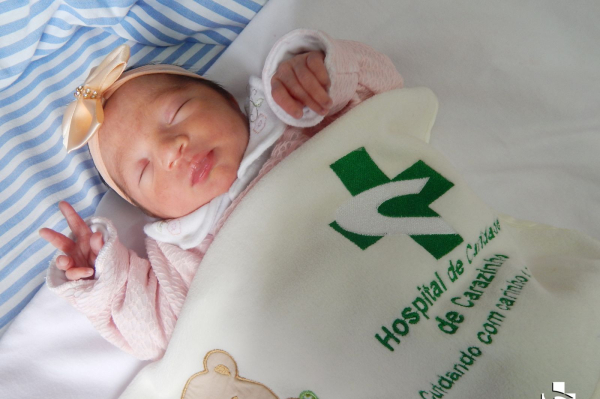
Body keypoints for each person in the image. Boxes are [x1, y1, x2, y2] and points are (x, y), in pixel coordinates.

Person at [40, 29, 404, 360]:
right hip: (327, 344)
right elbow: (153, 336)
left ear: (230, 100)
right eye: (144, 169)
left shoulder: (298, 121)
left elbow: (386, 100)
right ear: (153, 213)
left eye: (177, 112)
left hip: (398, 263)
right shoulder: (183, 251)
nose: (170, 150)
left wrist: (321, 76)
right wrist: (103, 277)